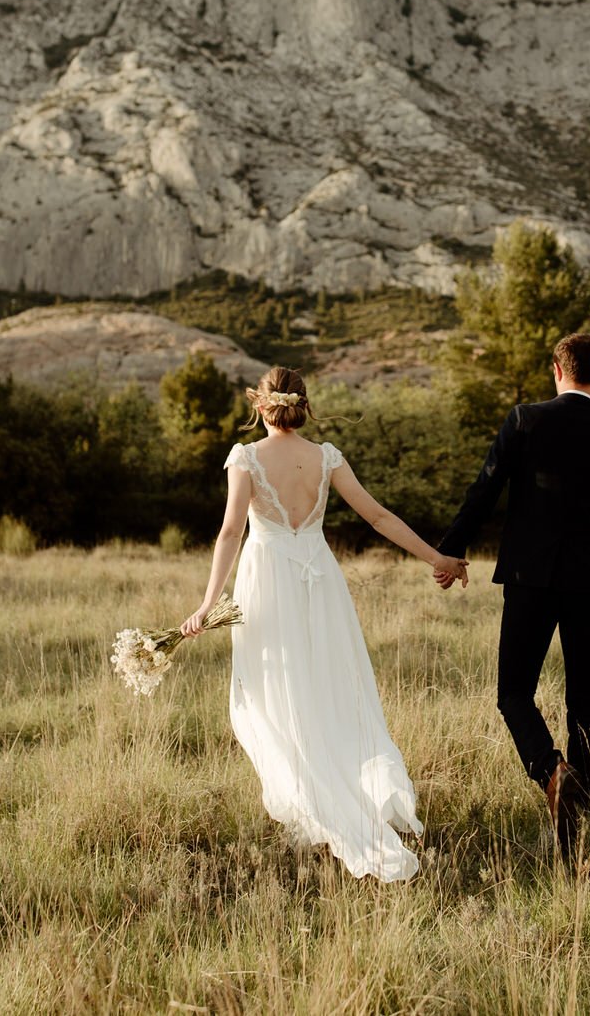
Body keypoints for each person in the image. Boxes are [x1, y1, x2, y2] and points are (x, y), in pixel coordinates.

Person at [180, 366, 470, 881]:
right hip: (321, 586)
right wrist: (436, 557)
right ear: (304, 406)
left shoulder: (244, 458)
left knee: (274, 695)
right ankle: (338, 797)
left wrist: (207, 604)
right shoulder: (326, 457)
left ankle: (315, 804)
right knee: (331, 692)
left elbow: (229, 533)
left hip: (268, 584)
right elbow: (379, 517)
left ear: (260, 407)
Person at [434, 332, 590, 862]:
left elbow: (483, 490)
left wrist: (451, 550)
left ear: (557, 370)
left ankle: (552, 772)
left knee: (513, 693)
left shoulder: (524, 419)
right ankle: (585, 808)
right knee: (586, 699)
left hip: (529, 579)